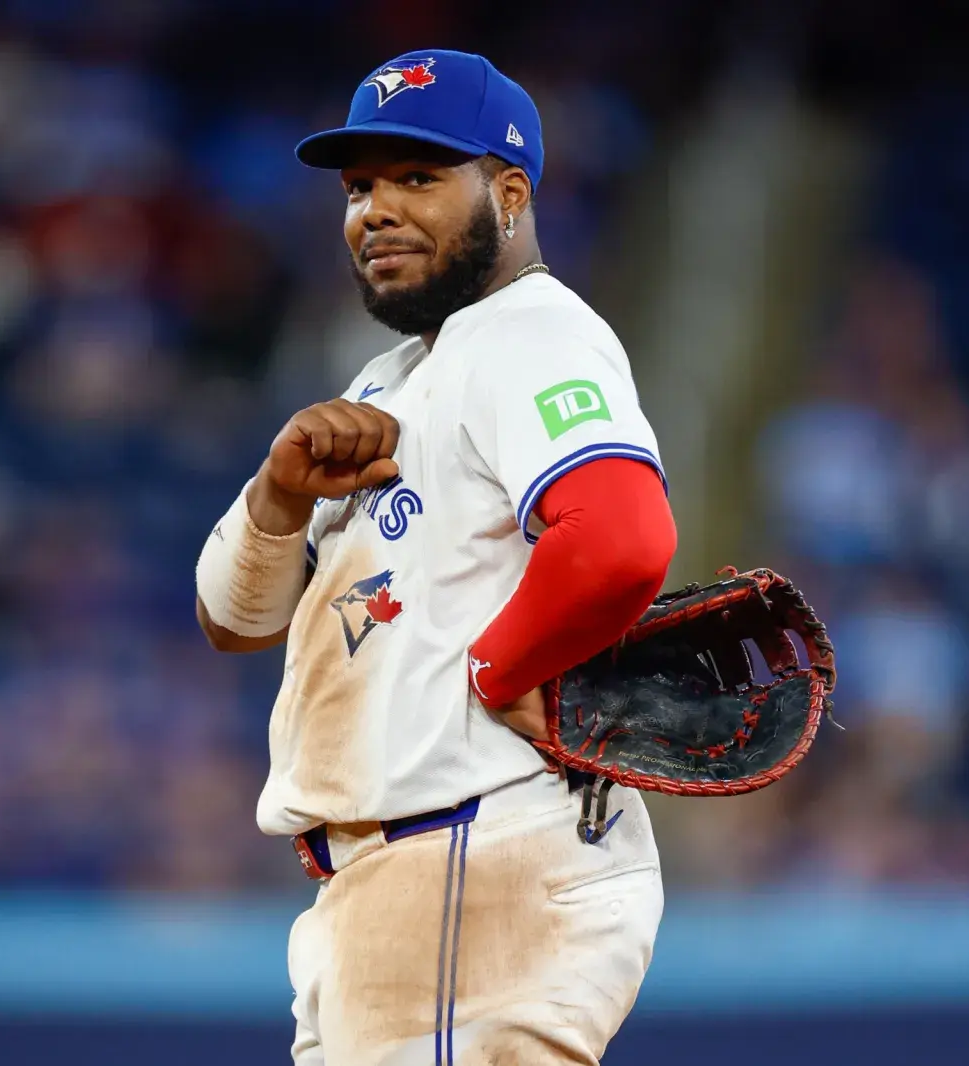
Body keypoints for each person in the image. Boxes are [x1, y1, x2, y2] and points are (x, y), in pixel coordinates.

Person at [194, 50, 678, 1064]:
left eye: (418, 177)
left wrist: (500, 673)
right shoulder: (384, 384)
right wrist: (280, 498)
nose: (376, 209)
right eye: (360, 185)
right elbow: (232, 623)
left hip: (469, 852)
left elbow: (622, 537)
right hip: (392, 879)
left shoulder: (530, 331)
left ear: (508, 195)